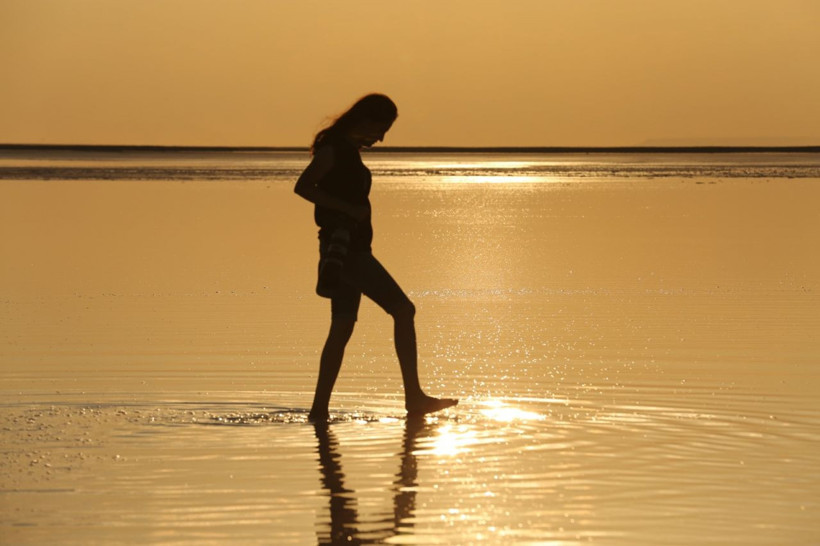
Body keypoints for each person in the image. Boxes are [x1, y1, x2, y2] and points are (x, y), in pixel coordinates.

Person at [294, 93, 457, 421]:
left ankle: (318, 410)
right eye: (380, 128)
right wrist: (347, 209)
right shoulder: (334, 149)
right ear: (364, 120)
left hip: (344, 250)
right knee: (403, 309)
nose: (381, 138)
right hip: (345, 252)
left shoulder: (347, 150)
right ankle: (414, 398)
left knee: (341, 327)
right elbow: (303, 186)